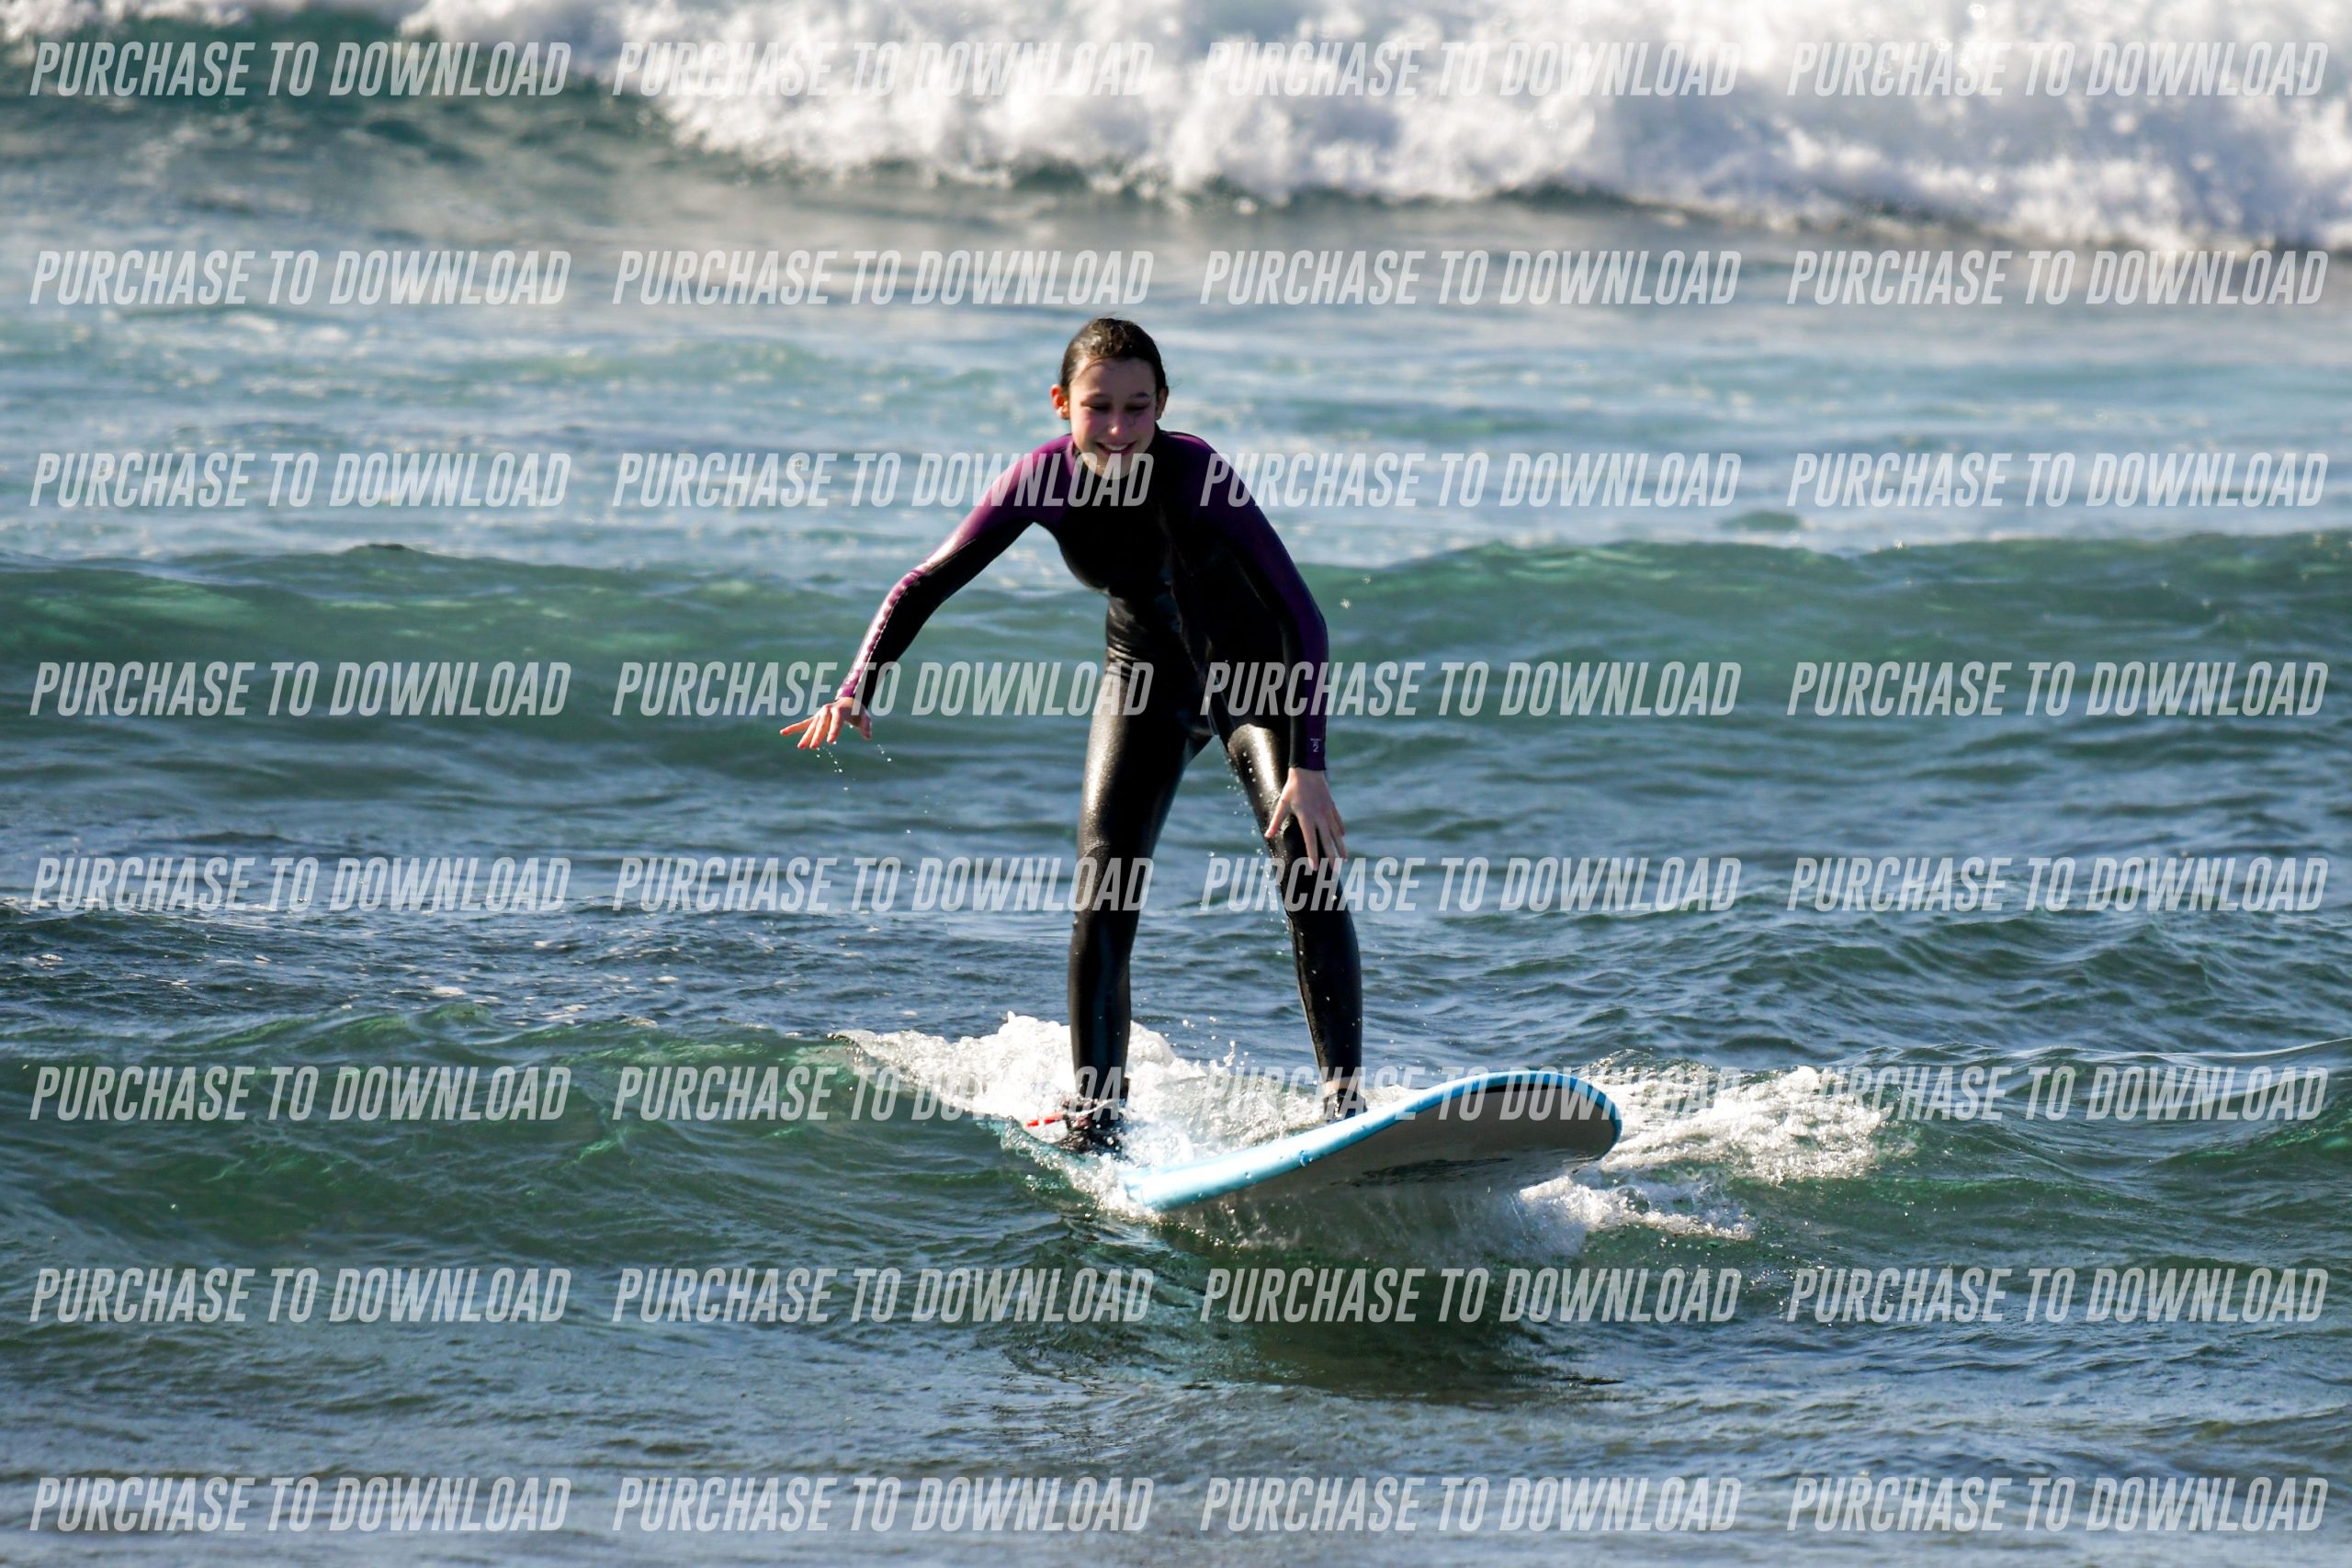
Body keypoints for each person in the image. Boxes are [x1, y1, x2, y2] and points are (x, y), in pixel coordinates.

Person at [783, 318, 1363, 1152]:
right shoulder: (1041, 480)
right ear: (1063, 404)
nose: (1119, 428)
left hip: (1253, 678)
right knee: (1104, 890)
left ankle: (1344, 1107)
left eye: (1138, 407)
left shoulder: (1198, 474)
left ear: (1163, 403)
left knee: (1305, 864)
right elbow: (925, 583)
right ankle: (1097, 1118)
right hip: (1144, 681)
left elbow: (1303, 616)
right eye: (1099, 407)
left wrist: (1309, 764)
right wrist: (855, 686)